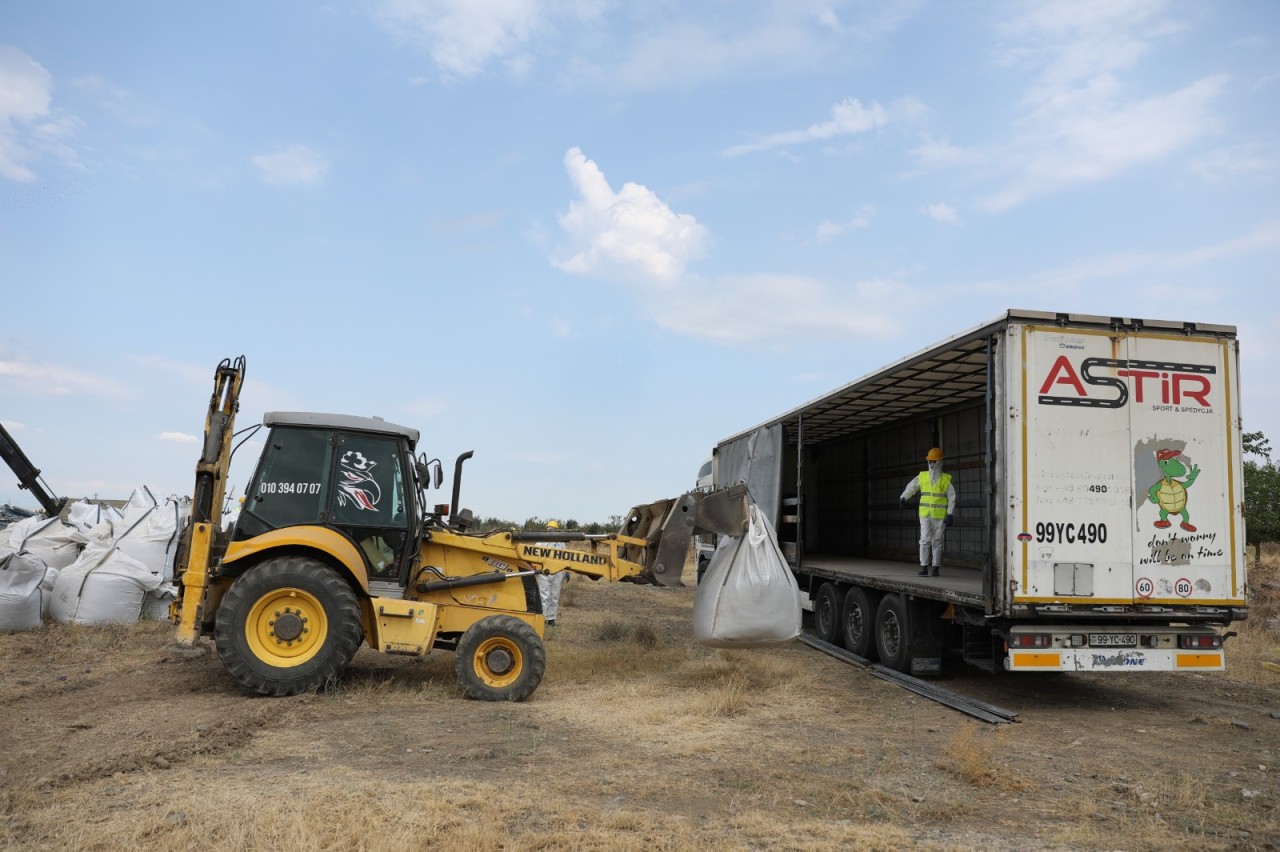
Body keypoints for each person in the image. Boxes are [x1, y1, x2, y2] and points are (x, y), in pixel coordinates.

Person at [899, 447, 956, 577]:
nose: (931, 464)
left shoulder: (945, 479)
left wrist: (950, 513)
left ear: (940, 462)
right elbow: (912, 487)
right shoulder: (923, 476)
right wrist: (903, 497)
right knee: (924, 539)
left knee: (937, 541)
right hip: (925, 514)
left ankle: (935, 567)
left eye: (934, 461)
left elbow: (952, 497)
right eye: (930, 461)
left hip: (939, 515)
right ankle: (923, 566)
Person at [535, 520, 569, 626]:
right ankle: (542, 619)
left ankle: (551, 619)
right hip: (544, 571)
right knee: (544, 595)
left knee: (554, 595)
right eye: (550, 529)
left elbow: (566, 558)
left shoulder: (561, 544)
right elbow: (534, 556)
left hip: (558, 572)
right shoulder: (540, 542)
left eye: (553, 529)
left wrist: (567, 571)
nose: (551, 531)